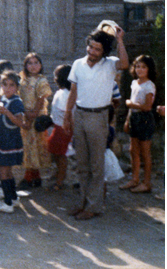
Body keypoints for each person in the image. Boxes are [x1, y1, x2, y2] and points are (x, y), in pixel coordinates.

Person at [63, 26, 129, 221]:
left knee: (96, 164)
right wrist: (68, 115)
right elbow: (73, 92)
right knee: (82, 163)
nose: (92, 52)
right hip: (80, 115)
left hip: (99, 117)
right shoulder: (78, 64)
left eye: (97, 49)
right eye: (90, 47)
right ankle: (84, 202)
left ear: (104, 52)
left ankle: (94, 206)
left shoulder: (110, 64)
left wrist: (120, 40)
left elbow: (125, 64)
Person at [0, 71, 26, 213]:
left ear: (16, 87)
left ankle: (7, 204)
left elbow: (20, 122)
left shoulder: (16, 102)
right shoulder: (2, 99)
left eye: (11, 85)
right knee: (6, 171)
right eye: (5, 84)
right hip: (1, 138)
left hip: (11, 140)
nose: (8, 88)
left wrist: (7, 112)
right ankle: (13, 198)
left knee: (3, 171)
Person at [119, 55, 157, 194]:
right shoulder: (134, 83)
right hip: (134, 117)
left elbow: (147, 107)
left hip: (144, 119)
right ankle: (134, 179)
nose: (140, 69)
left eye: (143, 67)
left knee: (145, 152)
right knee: (132, 150)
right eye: (137, 66)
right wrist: (128, 120)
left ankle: (146, 183)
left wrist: (130, 103)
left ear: (149, 69)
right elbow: (132, 107)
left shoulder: (149, 85)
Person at [18, 53, 52, 189]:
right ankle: (35, 176)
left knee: (35, 146)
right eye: (30, 63)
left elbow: (41, 99)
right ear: (25, 66)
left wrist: (32, 115)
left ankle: (29, 177)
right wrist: (24, 113)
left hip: (36, 117)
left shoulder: (41, 81)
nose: (33, 66)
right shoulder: (23, 79)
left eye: (36, 62)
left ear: (41, 65)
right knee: (27, 146)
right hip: (25, 115)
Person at [46, 65, 73, 191]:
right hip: (57, 127)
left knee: (61, 155)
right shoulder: (61, 92)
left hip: (63, 129)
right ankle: (59, 174)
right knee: (55, 153)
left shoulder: (65, 95)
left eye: (56, 75)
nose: (54, 78)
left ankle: (60, 181)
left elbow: (67, 115)